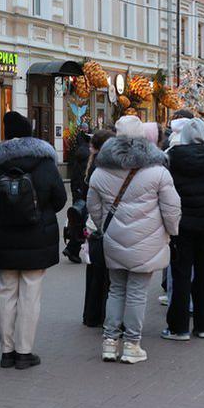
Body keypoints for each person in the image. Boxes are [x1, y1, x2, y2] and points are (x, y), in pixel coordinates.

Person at [0, 111, 67, 369]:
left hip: (4, 236)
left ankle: (6, 352)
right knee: (31, 294)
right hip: (37, 236)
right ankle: (24, 351)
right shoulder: (45, 162)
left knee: (6, 292)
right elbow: (60, 199)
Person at [87, 128, 180, 363]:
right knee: (138, 292)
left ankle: (109, 342)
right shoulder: (159, 172)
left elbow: (93, 207)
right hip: (147, 240)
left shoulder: (100, 172)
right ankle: (131, 344)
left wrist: (103, 227)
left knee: (116, 289)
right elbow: (171, 208)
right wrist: (172, 231)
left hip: (113, 238)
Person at [162, 118, 204, 340]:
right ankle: (203, 325)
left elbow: (167, 193)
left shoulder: (172, 160)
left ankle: (178, 327)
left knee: (181, 275)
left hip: (182, 226)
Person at [81, 128, 116, 327]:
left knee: (95, 272)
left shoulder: (93, 166)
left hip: (95, 224)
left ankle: (92, 315)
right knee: (106, 274)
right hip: (104, 224)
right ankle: (102, 314)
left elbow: (89, 199)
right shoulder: (106, 168)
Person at [64, 126, 93, 263]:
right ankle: (72, 248)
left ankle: (72, 248)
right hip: (85, 191)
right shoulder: (90, 156)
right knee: (84, 222)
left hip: (78, 190)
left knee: (79, 220)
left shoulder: (80, 153)